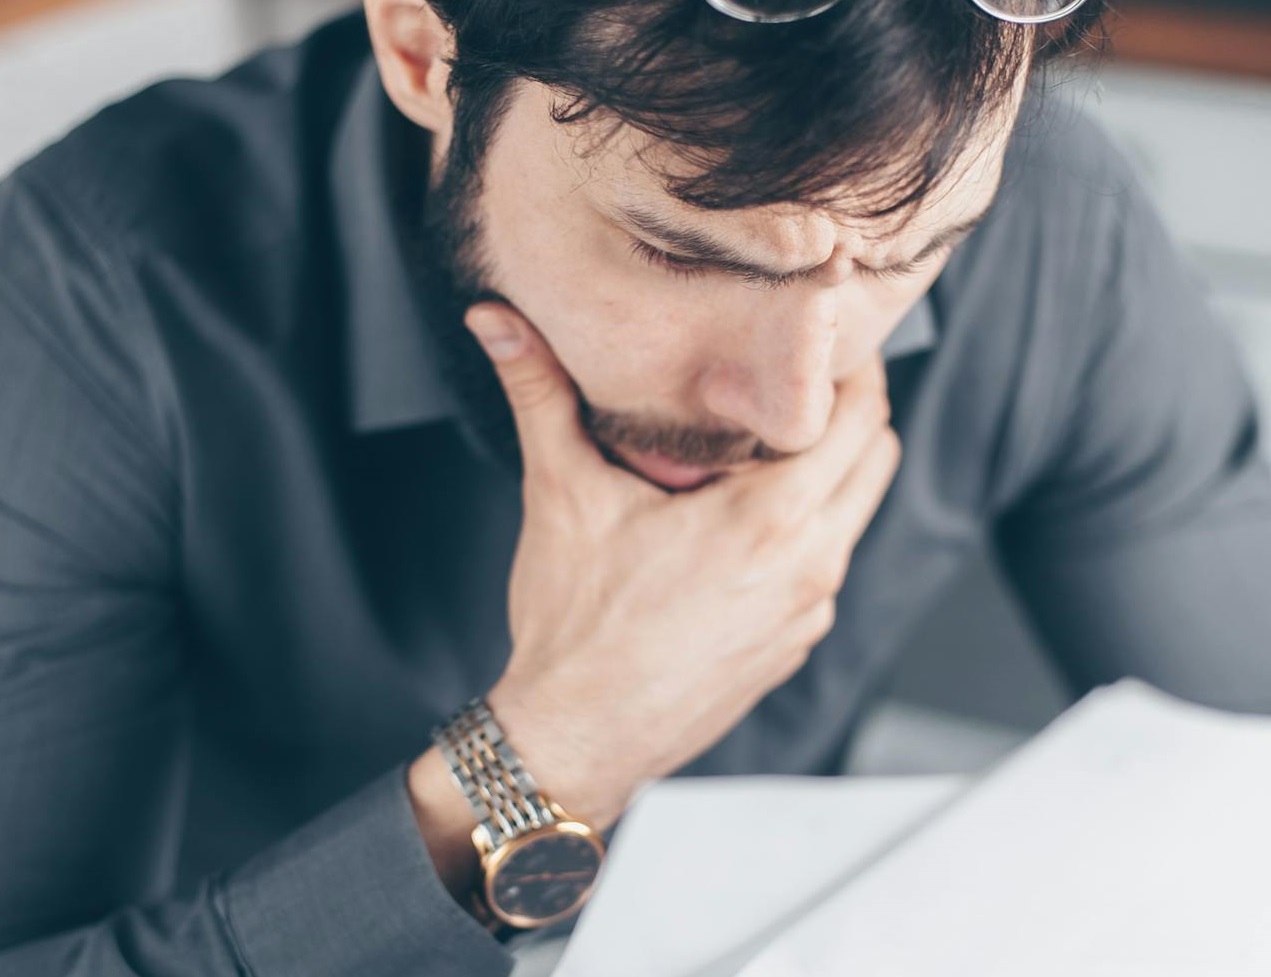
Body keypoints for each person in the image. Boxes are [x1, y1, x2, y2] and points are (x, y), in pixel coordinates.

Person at [1, 0, 1268, 972]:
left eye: (911, 254)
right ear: (424, 50)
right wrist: (543, 758)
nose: (794, 407)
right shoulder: (89, 297)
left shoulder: (1057, 231)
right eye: (682, 252)